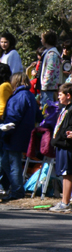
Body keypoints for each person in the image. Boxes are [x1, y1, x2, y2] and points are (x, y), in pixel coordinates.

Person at [0, 73, 37, 202]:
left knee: (12, 162)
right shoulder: (29, 95)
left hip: (14, 134)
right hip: (23, 133)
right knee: (6, 162)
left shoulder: (18, 97)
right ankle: (16, 187)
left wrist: (5, 131)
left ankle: (17, 190)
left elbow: (13, 116)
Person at [50, 83, 72, 212]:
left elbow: (71, 128)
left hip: (67, 147)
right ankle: (64, 200)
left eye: (60, 95)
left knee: (67, 173)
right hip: (60, 146)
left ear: (68, 95)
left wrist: (59, 137)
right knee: (63, 173)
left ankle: (66, 202)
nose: (58, 97)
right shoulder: (65, 109)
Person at [39, 30, 62, 104]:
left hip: (48, 88)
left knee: (47, 109)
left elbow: (50, 70)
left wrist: (44, 85)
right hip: (46, 87)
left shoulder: (52, 54)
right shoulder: (47, 52)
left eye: (42, 38)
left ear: (46, 40)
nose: (41, 40)